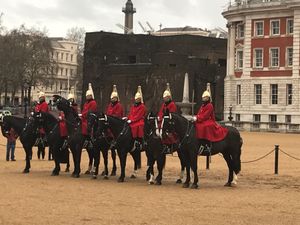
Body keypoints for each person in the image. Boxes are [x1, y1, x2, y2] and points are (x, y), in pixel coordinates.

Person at [158, 84, 178, 153]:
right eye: (164, 98)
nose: (165, 99)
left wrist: (165, 117)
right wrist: (159, 117)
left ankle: (170, 144)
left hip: (169, 121)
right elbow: (161, 112)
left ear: (169, 97)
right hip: (163, 120)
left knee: (166, 129)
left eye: (166, 98)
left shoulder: (172, 104)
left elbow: (172, 114)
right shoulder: (164, 104)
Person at [127, 86, 146, 151]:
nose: (136, 100)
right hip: (133, 120)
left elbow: (139, 115)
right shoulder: (133, 106)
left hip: (139, 120)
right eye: (136, 99)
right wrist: (128, 118)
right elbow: (131, 113)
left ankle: (138, 140)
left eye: (138, 99)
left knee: (137, 126)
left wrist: (131, 120)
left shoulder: (142, 106)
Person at [35, 91, 49, 160]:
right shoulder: (38, 104)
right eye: (40, 97)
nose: (41, 98)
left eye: (42, 97)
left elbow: (43, 112)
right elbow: (36, 111)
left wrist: (38, 114)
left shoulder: (45, 104)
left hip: (43, 120)